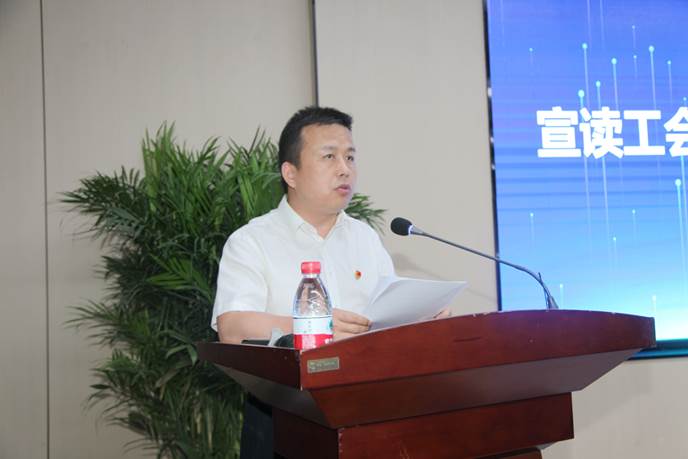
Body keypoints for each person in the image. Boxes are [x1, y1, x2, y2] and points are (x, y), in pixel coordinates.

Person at [211, 106, 396, 344]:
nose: (344, 170)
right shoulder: (251, 242)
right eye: (329, 157)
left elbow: (392, 314)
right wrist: (312, 326)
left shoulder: (365, 238)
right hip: (291, 369)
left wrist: (424, 319)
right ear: (290, 174)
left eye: (349, 157)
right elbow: (232, 328)